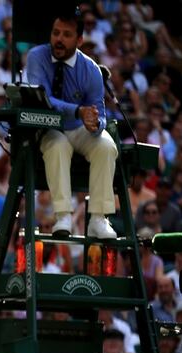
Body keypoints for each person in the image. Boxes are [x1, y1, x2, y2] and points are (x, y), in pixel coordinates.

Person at [26, 12, 118, 240]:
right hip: (49, 127)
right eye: (56, 33)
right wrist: (78, 111)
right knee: (57, 146)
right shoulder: (37, 56)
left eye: (67, 35)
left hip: (78, 128)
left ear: (79, 41)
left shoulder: (91, 70)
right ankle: (62, 215)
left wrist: (94, 124)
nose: (59, 39)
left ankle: (98, 218)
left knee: (106, 146)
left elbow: (100, 114)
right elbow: (43, 97)